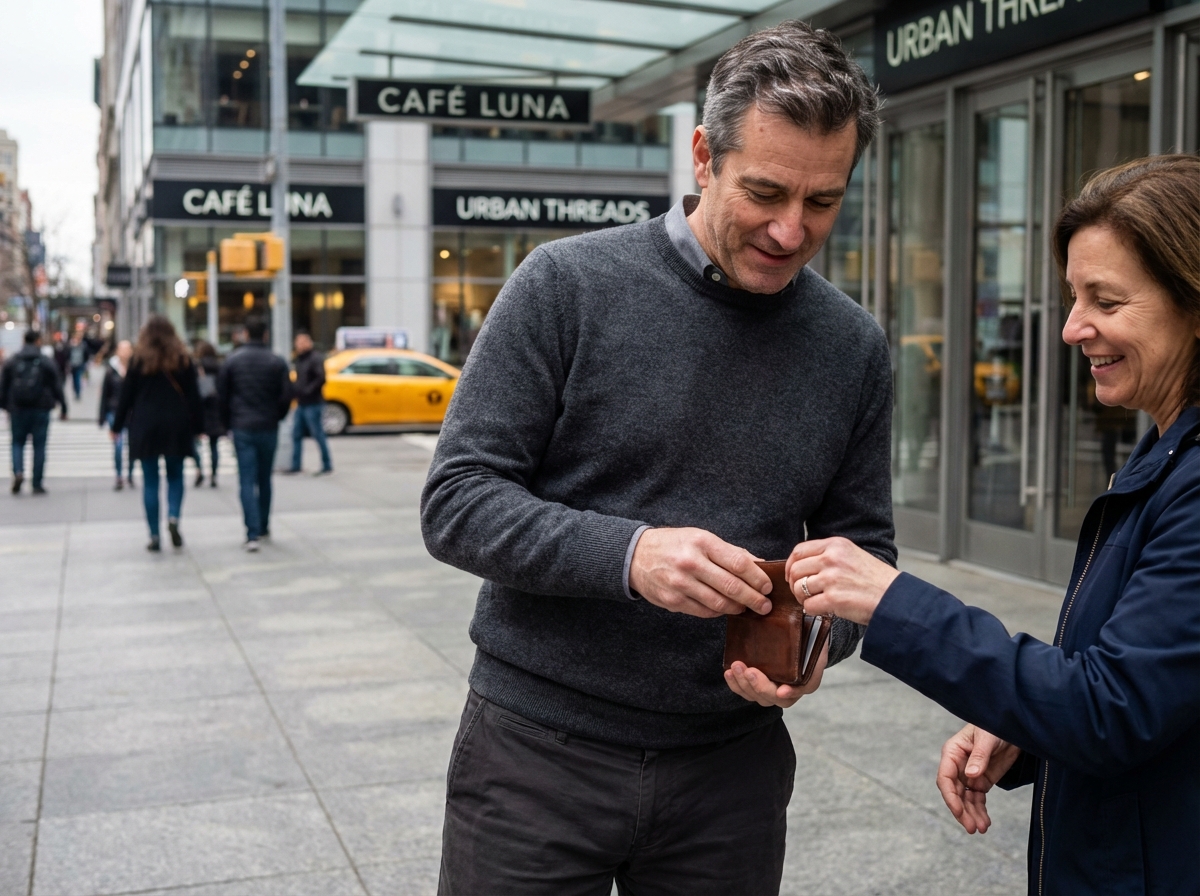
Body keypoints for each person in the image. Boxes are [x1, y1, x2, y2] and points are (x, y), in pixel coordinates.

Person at [421, 21, 891, 895]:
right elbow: (457, 501)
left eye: (823, 201)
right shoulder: (563, 285)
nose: (791, 229)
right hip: (535, 756)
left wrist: (818, 643)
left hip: (732, 773)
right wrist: (632, 556)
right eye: (765, 191)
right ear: (704, 156)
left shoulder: (853, 347)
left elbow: (865, 552)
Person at [784, 155, 1200, 896]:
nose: (1072, 328)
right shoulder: (1163, 450)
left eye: (1106, 300)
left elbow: (1112, 710)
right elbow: (1152, 687)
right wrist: (1028, 729)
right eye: (1073, 296)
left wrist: (893, 601)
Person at [112, 315, 203, 552]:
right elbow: (194, 396)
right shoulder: (182, 358)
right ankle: (173, 517)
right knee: (176, 475)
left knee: (150, 481)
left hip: (146, 425)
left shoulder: (138, 360)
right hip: (176, 424)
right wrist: (199, 427)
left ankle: (154, 534)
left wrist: (116, 426)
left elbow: (126, 397)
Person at [218, 317, 291, 552]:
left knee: (246, 480)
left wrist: (228, 423)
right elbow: (286, 396)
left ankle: (251, 532)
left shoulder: (232, 361)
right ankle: (264, 525)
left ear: (245, 334)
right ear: (266, 335)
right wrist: (277, 416)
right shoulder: (277, 362)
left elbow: (223, 396)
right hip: (268, 425)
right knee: (265, 478)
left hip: (242, 425)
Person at [0, 329, 67, 495]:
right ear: (38, 341)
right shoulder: (45, 361)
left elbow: (3, 385)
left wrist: (5, 405)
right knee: (39, 445)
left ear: (24, 341)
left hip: (17, 408)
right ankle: (37, 482)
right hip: (41, 408)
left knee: (17, 443)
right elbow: (56, 384)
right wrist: (63, 406)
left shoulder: (13, 360)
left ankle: (18, 471)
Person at [286, 330, 333, 476]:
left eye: (301, 342)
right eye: (297, 342)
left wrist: (307, 391)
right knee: (296, 434)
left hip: (313, 402)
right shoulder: (300, 359)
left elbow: (321, 378)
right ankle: (296, 465)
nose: (299, 345)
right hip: (302, 403)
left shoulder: (315, 358)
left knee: (318, 433)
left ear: (308, 342)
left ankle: (327, 464)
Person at [98, 339, 134, 490]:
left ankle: (130, 473)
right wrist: (102, 417)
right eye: (122, 349)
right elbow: (105, 394)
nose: (124, 353)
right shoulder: (111, 370)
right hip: (114, 411)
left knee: (132, 445)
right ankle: (119, 475)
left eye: (127, 349)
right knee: (118, 445)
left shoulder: (136, 369)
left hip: (132, 413)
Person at [191, 340, 225, 488]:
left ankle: (199, 469)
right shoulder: (220, 367)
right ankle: (214, 475)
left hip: (200, 409)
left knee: (195, 443)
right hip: (216, 410)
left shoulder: (197, 366)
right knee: (214, 445)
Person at [67, 334, 88, 401]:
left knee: (77, 379)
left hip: (79, 365)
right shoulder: (71, 347)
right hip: (73, 366)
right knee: (74, 380)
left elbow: (86, 355)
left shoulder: (83, 346)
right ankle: (76, 391)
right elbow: (68, 355)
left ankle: (78, 393)